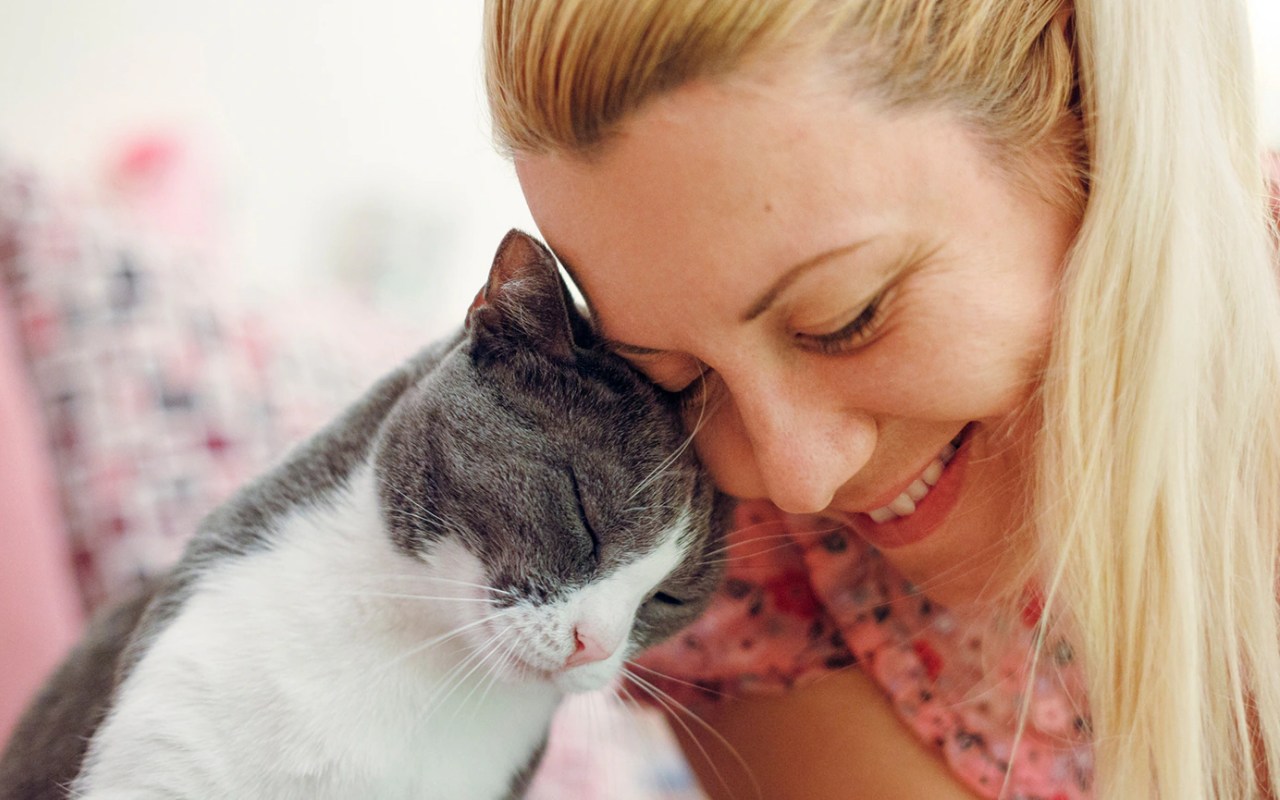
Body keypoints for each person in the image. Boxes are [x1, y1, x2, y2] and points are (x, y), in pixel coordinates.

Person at [483, 1, 1280, 798]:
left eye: (846, 320)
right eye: (682, 380)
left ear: (1093, 122)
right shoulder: (741, 569)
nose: (798, 479)